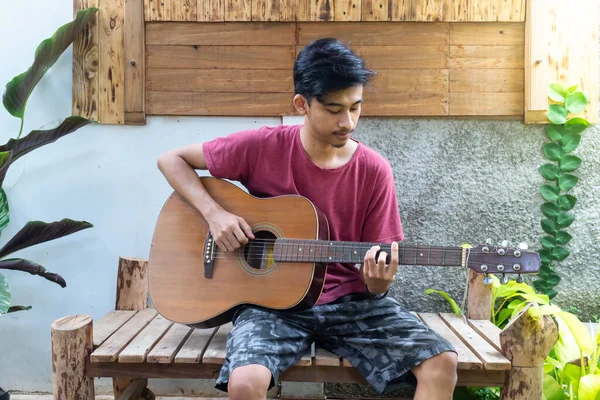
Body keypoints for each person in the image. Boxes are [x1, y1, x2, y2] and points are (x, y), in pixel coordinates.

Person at [157, 37, 458, 400]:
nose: (347, 121)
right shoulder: (262, 146)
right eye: (334, 109)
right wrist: (215, 215)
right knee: (244, 382)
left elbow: (377, 271)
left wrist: (378, 283)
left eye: (355, 107)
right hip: (271, 306)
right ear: (302, 104)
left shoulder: (374, 170)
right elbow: (171, 160)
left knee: (442, 363)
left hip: (352, 303)